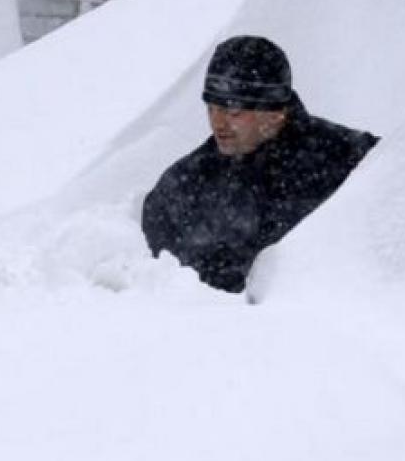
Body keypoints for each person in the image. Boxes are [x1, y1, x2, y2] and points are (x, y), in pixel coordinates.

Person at [141, 35, 380, 293]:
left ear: (276, 112)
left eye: (233, 113)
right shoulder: (185, 186)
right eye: (211, 108)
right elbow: (156, 281)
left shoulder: (348, 159)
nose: (218, 123)